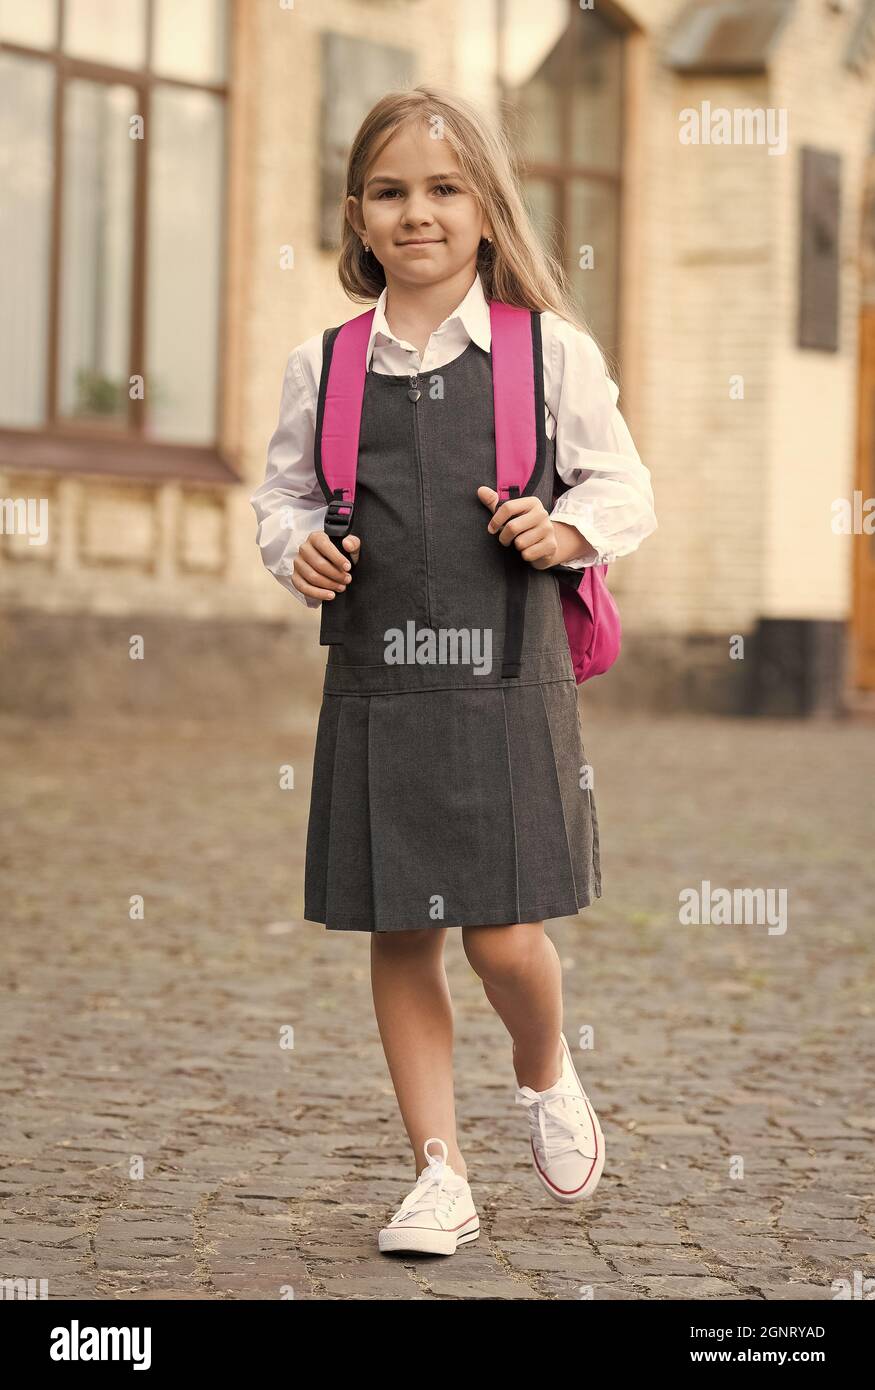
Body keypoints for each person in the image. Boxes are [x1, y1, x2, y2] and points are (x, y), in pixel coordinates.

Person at [250, 85, 657, 1257]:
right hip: (377, 676)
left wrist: (563, 530)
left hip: (506, 673)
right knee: (400, 930)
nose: (414, 212)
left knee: (499, 935)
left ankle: (543, 1065)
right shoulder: (320, 366)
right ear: (356, 215)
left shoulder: (548, 353)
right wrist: (299, 549)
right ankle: (438, 1171)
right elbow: (279, 499)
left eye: (440, 188)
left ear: (484, 208)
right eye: (389, 191)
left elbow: (621, 486)